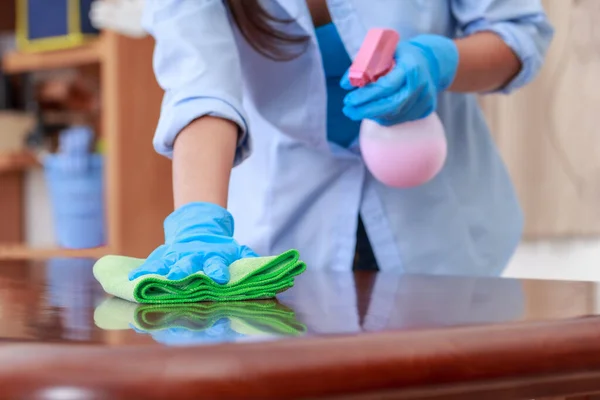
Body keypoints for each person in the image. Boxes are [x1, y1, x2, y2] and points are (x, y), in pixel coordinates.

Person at [129, 0, 554, 283]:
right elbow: (201, 86)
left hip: (442, 229)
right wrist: (199, 224)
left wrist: (439, 62)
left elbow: (518, 33)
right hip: (286, 229)